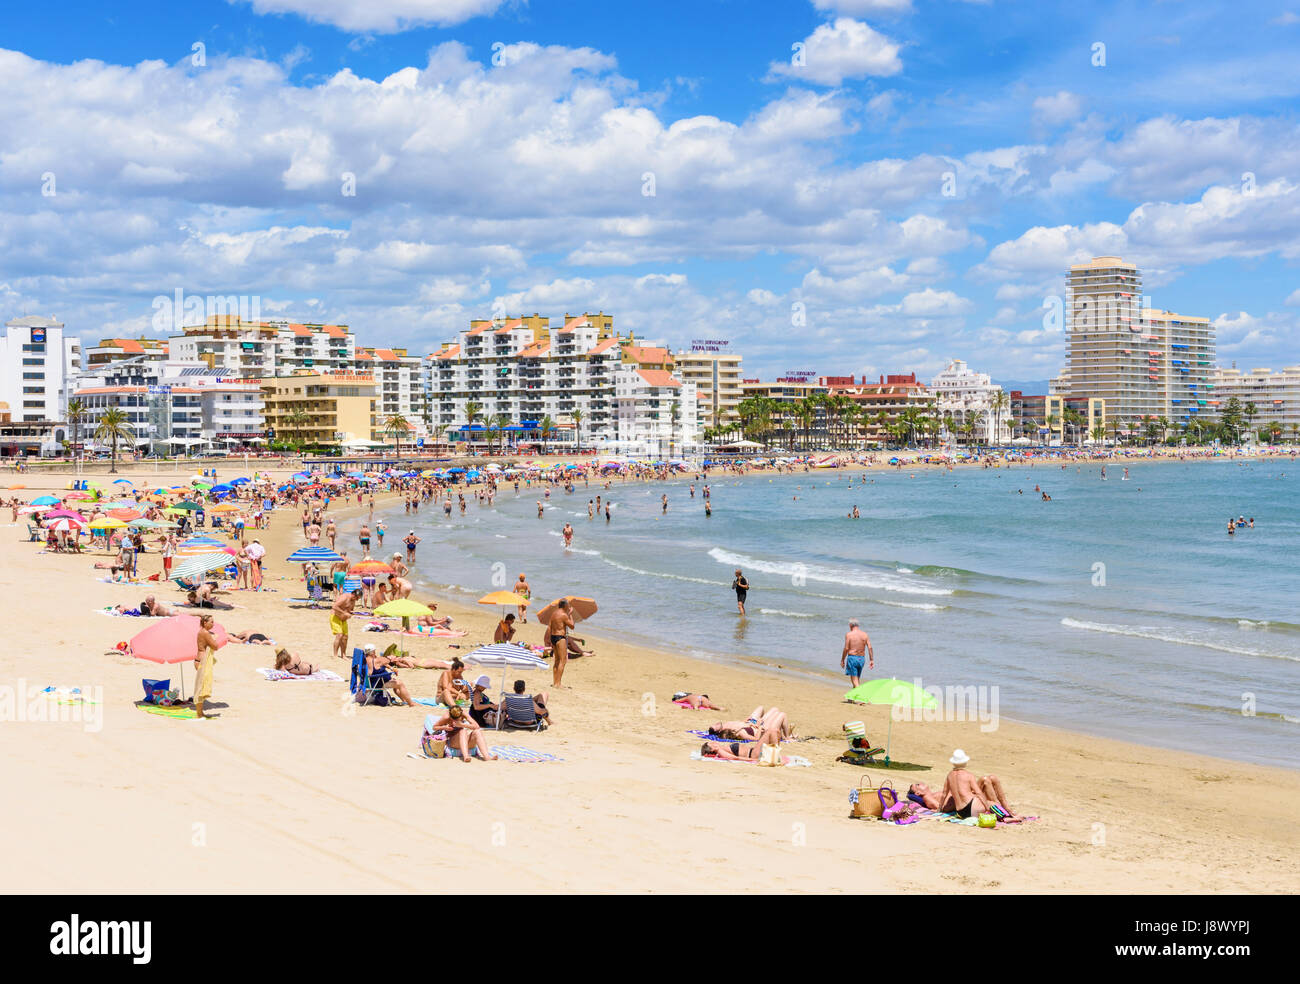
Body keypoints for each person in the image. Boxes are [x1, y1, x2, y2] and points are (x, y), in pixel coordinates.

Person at [908, 750, 1019, 819]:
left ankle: (1005, 808)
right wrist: (986, 807)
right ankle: (1005, 811)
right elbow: (940, 807)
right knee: (987, 785)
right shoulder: (929, 799)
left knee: (989, 779)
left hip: (968, 799)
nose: (921, 783)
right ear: (918, 792)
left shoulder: (937, 790)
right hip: (968, 802)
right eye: (917, 785)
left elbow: (944, 796)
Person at [429, 705, 497, 762]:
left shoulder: (464, 714)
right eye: (454, 719)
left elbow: (476, 726)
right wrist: (445, 727)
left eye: (458, 719)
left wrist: (462, 725)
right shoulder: (446, 717)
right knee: (463, 731)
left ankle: (487, 757)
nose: (456, 721)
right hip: (452, 742)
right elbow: (434, 727)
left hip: (464, 741)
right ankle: (466, 756)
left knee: (477, 732)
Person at [193, 613, 220, 719]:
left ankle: (200, 712)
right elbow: (215, 646)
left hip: (199, 659)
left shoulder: (202, 632)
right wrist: (214, 638)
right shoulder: (205, 633)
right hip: (202, 661)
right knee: (201, 688)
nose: (213, 624)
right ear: (205, 623)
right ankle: (199, 713)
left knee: (202, 686)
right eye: (211, 622)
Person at [548, 598, 575, 687]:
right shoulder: (564, 615)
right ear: (565, 605)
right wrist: (570, 615)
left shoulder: (553, 614)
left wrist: (549, 640)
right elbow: (572, 626)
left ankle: (555, 682)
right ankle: (558, 684)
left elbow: (549, 627)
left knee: (556, 660)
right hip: (560, 638)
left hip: (553, 637)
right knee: (563, 661)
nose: (569, 606)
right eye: (568, 605)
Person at [840, 618, 874, 687]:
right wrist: (871, 660)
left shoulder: (849, 634)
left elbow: (846, 648)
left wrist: (842, 659)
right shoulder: (865, 634)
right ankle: (853, 697)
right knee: (857, 680)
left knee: (854, 681)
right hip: (861, 659)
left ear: (850, 625)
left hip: (853, 658)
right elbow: (870, 647)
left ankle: (861, 696)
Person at [330, 587, 360, 661]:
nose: (356, 600)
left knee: (345, 637)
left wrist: (351, 613)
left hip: (343, 620)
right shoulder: (344, 597)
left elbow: (350, 610)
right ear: (353, 594)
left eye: (358, 599)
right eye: (356, 598)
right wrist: (344, 613)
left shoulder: (353, 600)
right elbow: (334, 606)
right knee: (339, 635)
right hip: (335, 617)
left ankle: (343, 655)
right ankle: (335, 655)